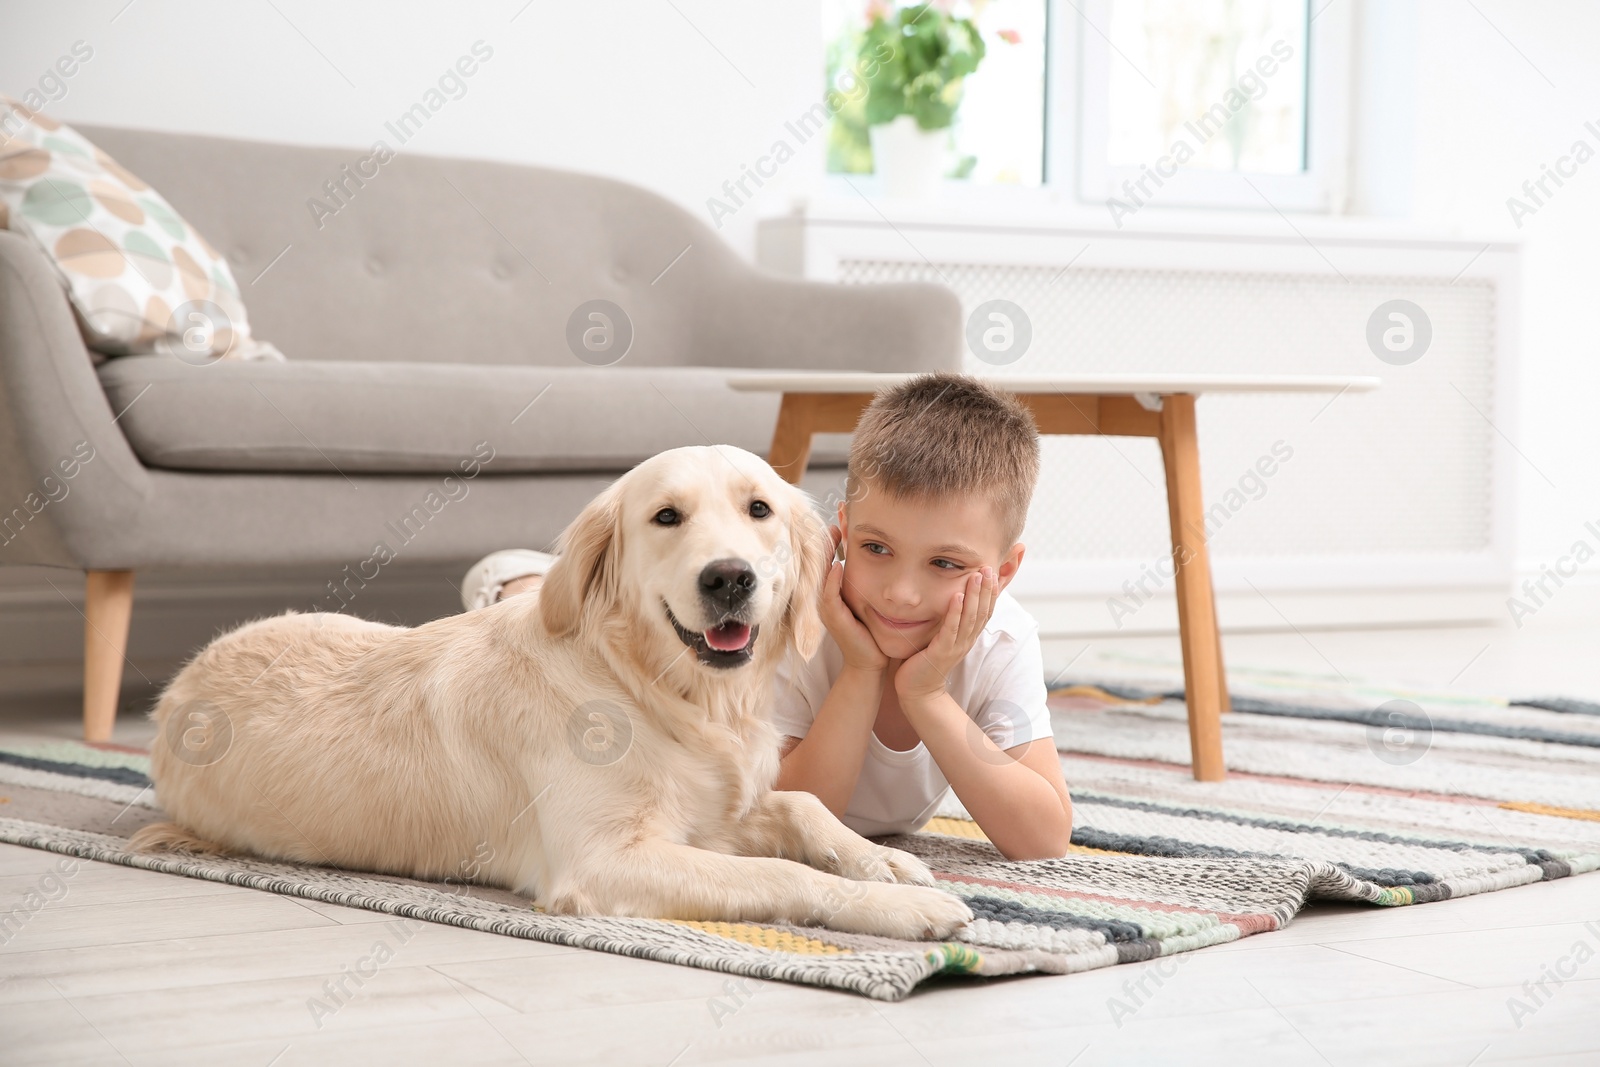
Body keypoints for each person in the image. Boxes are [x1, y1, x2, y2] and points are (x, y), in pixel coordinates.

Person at [458, 371, 1073, 860]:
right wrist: (860, 671)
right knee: (568, 629)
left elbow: (1042, 839)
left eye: (945, 564)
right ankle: (523, 585)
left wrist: (928, 694)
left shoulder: (1002, 639)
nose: (900, 594)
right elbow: (787, 812)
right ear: (841, 535)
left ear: (1005, 572)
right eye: (876, 550)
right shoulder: (787, 622)